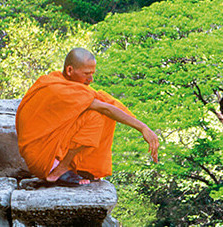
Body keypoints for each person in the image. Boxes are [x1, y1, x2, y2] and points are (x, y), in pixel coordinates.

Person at [15, 47, 159, 186]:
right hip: (42, 158)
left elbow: (106, 103)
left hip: (50, 147)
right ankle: (60, 169)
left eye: (92, 74)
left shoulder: (60, 81)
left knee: (101, 108)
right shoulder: (57, 88)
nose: (90, 79)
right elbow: (105, 108)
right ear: (69, 70)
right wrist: (142, 128)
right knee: (95, 116)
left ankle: (80, 167)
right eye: (86, 74)